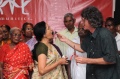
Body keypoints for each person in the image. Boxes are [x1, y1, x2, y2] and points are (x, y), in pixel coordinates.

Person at [57, 6, 120, 79]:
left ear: (90, 20)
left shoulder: (105, 34)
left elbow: (111, 59)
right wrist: (65, 40)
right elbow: (82, 48)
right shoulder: (89, 34)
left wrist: (87, 60)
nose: (82, 22)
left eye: (83, 20)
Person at [54, 13, 86, 79]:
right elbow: (68, 60)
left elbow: (82, 49)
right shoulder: (61, 35)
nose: (68, 23)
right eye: (66, 21)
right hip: (67, 66)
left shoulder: (92, 41)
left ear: (74, 21)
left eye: (70, 21)